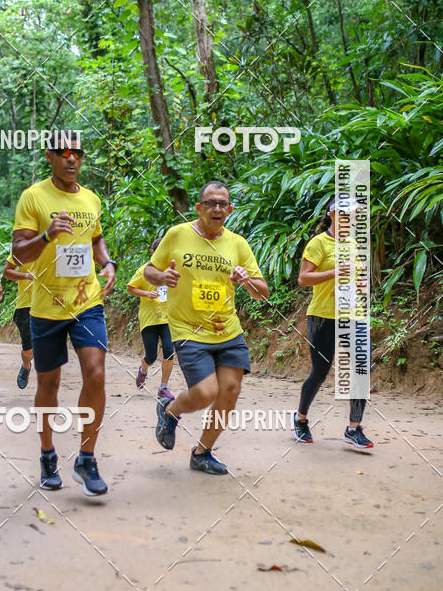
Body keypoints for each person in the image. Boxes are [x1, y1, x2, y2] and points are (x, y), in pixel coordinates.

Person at [12, 135, 116, 496]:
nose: (72, 159)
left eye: (78, 153)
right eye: (64, 153)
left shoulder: (91, 198)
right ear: (50, 156)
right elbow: (20, 253)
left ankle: (86, 459)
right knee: (49, 385)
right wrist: (47, 234)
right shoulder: (34, 197)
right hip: (46, 307)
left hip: (86, 301)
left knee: (96, 372)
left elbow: (96, 238)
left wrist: (108, 262)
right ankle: (47, 454)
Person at [145, 181, 269, 475]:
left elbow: (262, 292)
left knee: (229, 391)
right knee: (204, 393)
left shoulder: (238, 244)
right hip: (189, 329)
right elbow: (150, 270)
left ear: (230, 209)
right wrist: (163, 277)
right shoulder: (177, 234)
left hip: (228, 330)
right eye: (211, 203)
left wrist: (246, 280)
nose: (217, 209)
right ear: (199, 208)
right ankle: (171, 410)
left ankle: (202, 453)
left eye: (222, 204)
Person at [293, 197, 373, 449]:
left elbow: (359, 279)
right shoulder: (319, 243)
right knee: (320, 372)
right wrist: (335, 272)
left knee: (363, 366)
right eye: (346, 213)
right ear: (332, 214)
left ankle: (353, 428)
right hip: (322, 316)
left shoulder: (354, 244)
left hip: (352, 314)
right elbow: (303, 279)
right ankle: (301, 418)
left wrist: (361, 285)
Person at [127, 238, 174, 399]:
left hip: (168, 318)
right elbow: (130, 287)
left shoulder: (171, 271)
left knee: (169, 351)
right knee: (151, 356)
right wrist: (147, 294)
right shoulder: (144, 271)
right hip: (149, 319)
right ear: (152, 252)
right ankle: (144, 369)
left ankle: (163, 387)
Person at [2, 254, 35, 389]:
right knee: (29, 351)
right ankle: (26, 365)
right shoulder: (23, 248)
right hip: (25, 305)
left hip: (50, 304)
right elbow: (6, 271)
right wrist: (26, 275)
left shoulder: (57, 245)